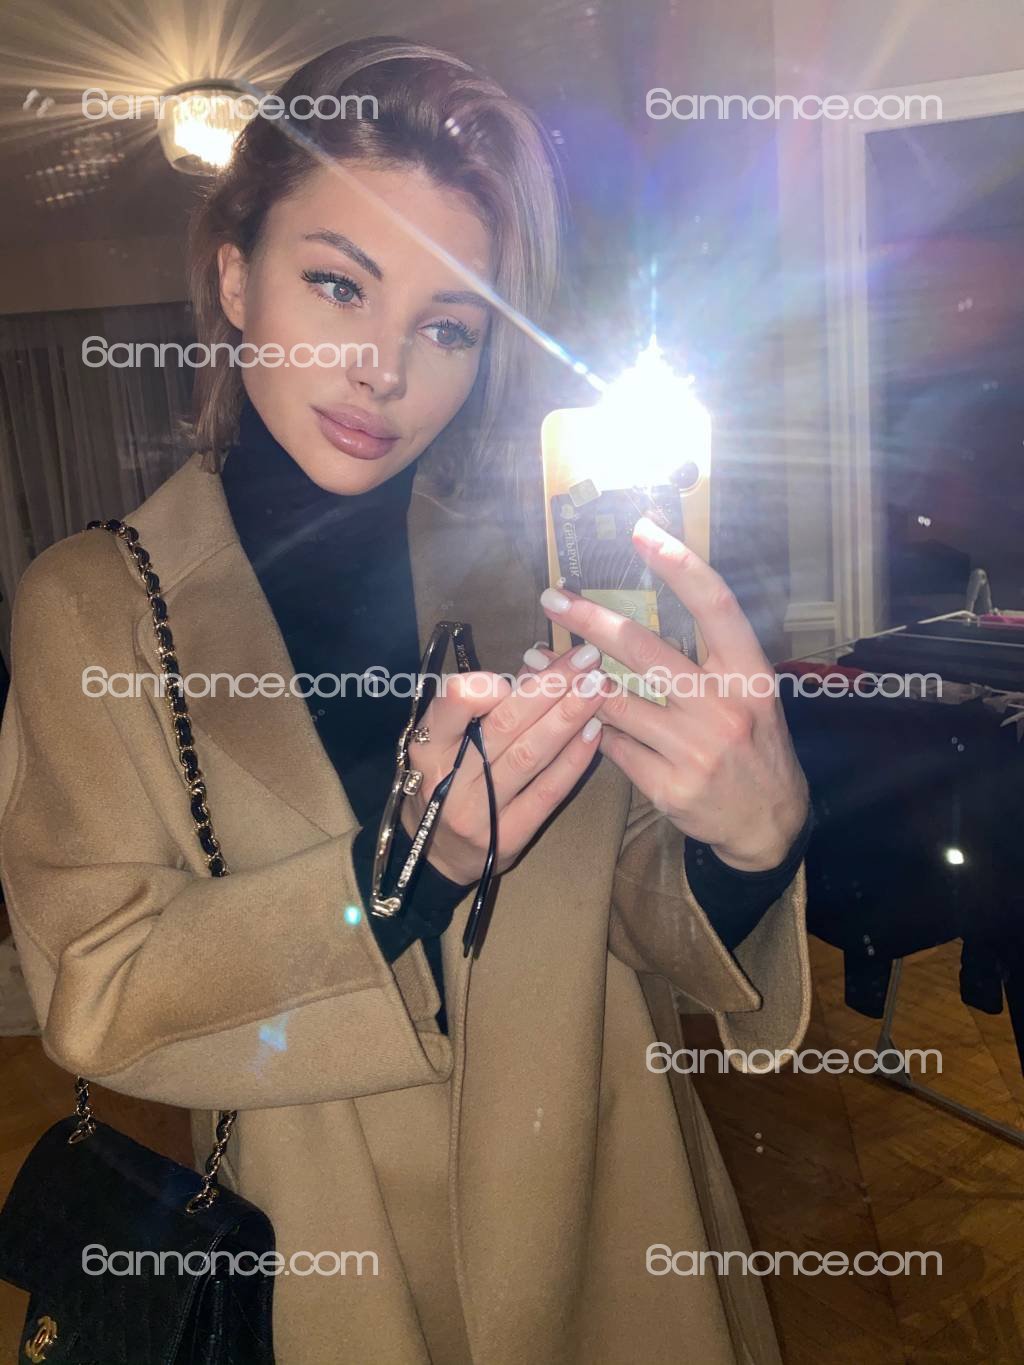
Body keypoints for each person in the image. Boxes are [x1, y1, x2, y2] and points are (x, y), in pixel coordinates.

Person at [0, 37, 811, 1365]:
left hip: (612, 1223)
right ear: (234, 279)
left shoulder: (543, 584)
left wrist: (748, 844)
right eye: (338, 284)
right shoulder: (96, 606)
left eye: (448, 326)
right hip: (334, 1261)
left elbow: (632, 908)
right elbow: (101, 991)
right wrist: (411, 868)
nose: (385, 368)